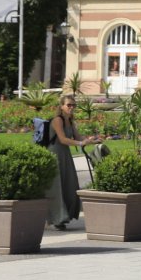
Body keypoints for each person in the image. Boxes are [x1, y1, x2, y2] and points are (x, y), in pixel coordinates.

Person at [46, 96, 101, 230]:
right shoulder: (57, 120)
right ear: (62, 106)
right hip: (55, 154)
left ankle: (66, 215)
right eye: (69, 105)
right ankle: (57, 219)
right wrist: (81, 143)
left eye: (73, 105)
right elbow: (63, 139)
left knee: (70, 184)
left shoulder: (70, 120)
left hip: (65, 154)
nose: (71, 107)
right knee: (57, 186)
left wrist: (91, 140)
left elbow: (77, 136)